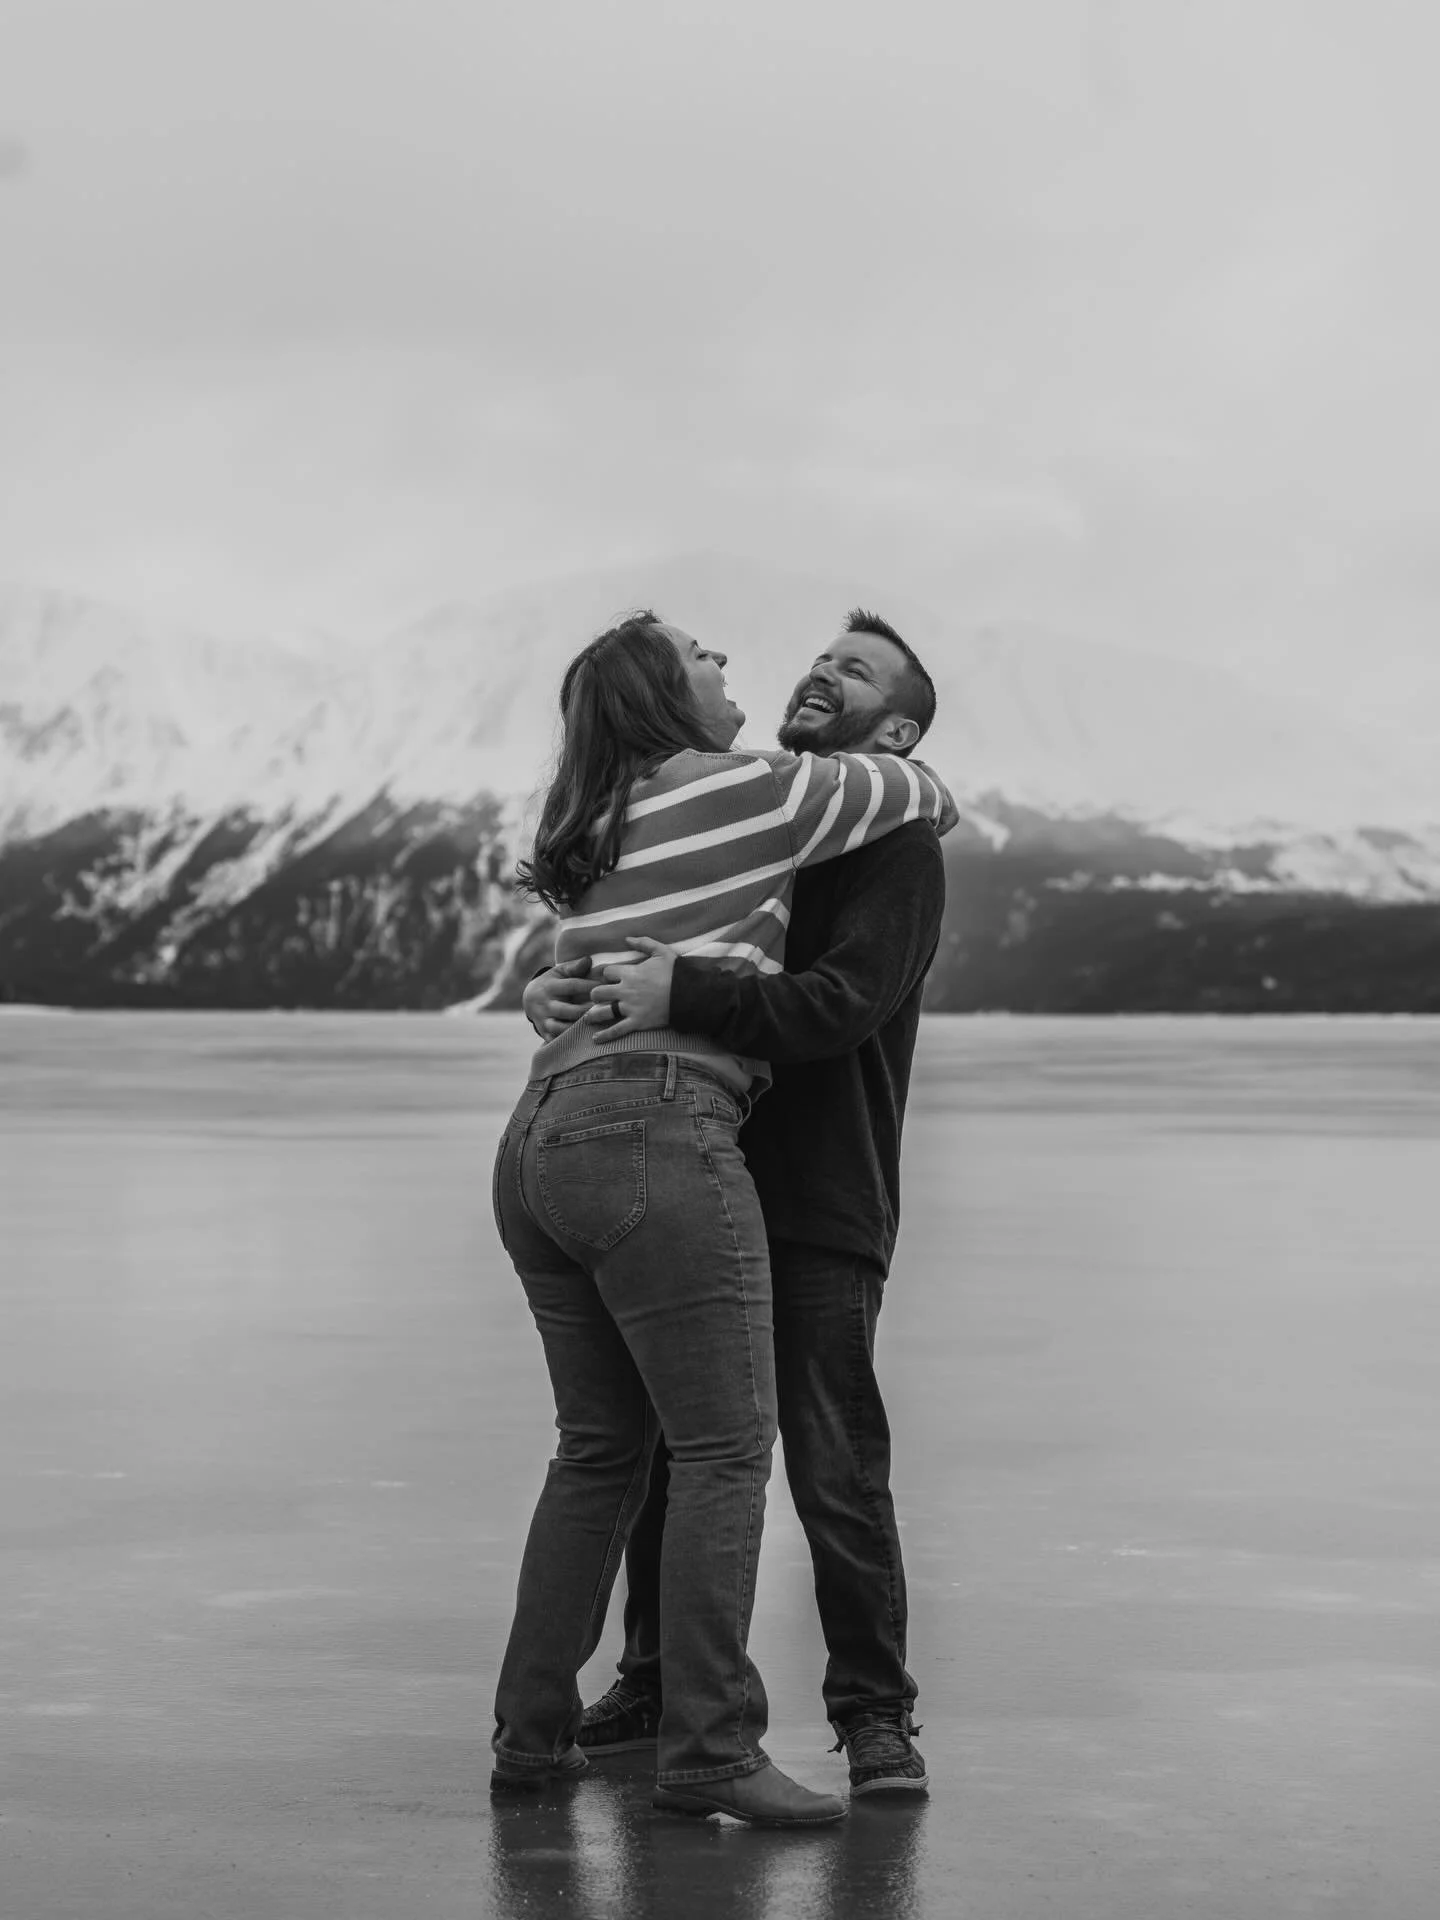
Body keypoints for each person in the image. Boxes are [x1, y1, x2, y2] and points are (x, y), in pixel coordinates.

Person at [490, 610, 956, 1828]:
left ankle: (857, 1713)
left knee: (634, 1452)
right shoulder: (768, 798)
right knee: (715, 1455)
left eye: (851, 672)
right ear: (663, 698)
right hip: (670, 1140)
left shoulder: (609, 817)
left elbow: (841, 1002)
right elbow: (927, 786)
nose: (783, 669)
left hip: (621, 1150)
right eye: (709, 657)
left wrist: (607, 984)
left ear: (893, 715)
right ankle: (695, 1734)